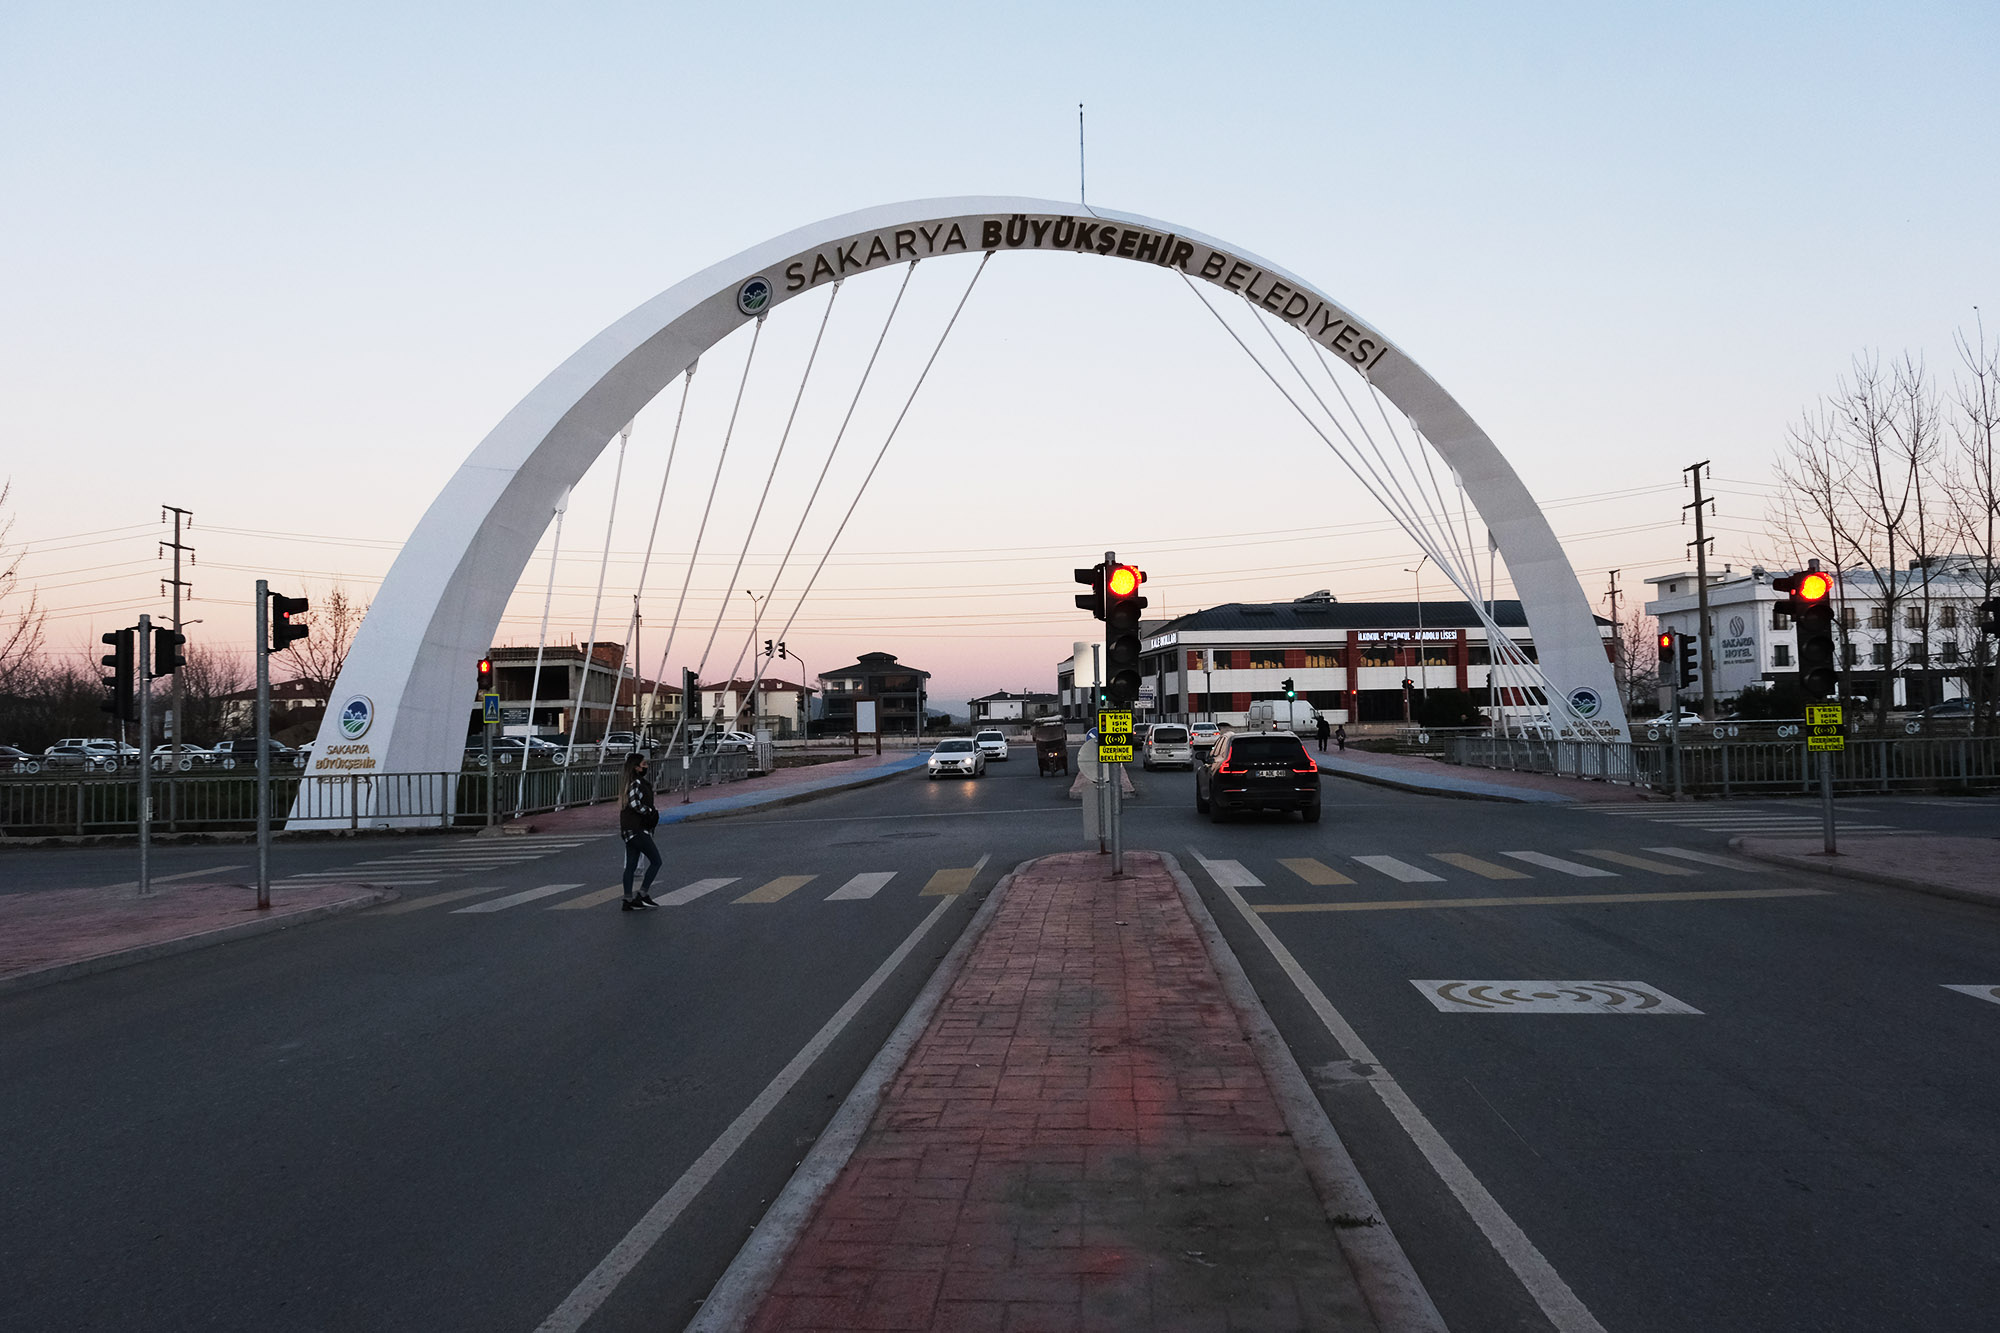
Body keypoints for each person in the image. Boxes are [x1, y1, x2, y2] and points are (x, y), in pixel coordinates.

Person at [619, 752, 662, 910]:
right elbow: (634, 804)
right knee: (656, 861)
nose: (646, 767)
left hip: (630, 830)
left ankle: (628, 899)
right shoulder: (636, 783)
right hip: (636, 829)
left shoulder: (632, 782)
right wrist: (649, 811)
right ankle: (642, 894)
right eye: (644, 765)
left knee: (631, 865)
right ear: (636, 767)